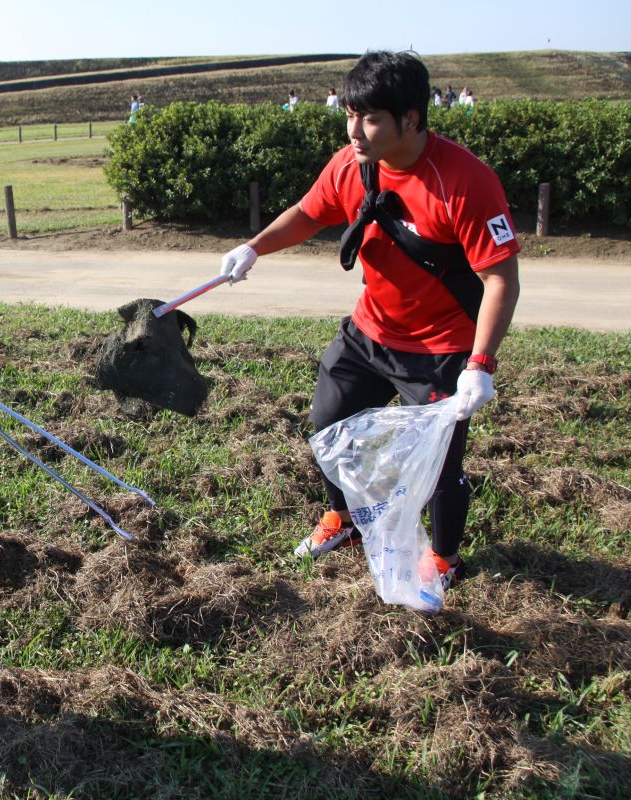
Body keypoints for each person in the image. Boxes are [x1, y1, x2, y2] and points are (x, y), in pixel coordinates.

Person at [217, 51, 520, 597]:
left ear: (411, 118)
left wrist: (480, 365)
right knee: (327, 431)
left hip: (440, 350)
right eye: (350, 115)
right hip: (367, 334)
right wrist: (254, 247)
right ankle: (346, 519)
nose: (355, 129)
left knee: (436, 470)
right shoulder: (352, 163)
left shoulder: (465, 181)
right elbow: (311, 213)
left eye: (371, 118)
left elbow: (501, 279)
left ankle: (444, 558)